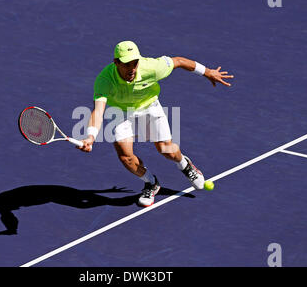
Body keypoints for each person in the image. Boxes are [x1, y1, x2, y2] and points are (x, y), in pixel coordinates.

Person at [78, 41, 233, 207]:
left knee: (166, 150)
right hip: (120, 112)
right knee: (125, 157)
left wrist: (207, 72)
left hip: (149, 107)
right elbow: (98, 111)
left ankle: (185, 165)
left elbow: (179, 61)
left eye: (135, 63)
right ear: (116, 62)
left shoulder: (151, 67)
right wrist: (91, 136)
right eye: (126, 64)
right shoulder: (104, 80)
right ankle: (151, 183)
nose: (132, 69)